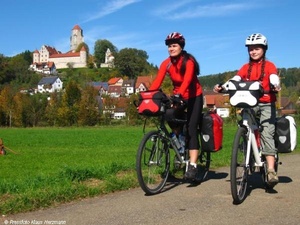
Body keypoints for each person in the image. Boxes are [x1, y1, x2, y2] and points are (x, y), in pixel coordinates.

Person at [213, 33, 281, 186]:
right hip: (250, 102)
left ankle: (270, 170)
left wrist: (275, 85)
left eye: (257, 49)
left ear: (264, 49)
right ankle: (247, 148)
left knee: (267, 133)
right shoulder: (245, 68)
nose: (253, 52)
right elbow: (236, 79)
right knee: (245, 127)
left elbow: (273, 78)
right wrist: (223, 86)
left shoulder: (269, 66)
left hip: (266, 103)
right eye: (251, 49)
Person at [149, 32, 203, 180]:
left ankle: (192, 165)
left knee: (191, 128)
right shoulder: (166, 63)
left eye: (174, 45)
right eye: (169, 46)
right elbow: (157, 82)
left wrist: (179, 94)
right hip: (178, 96)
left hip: (193, 96)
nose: (171, 49)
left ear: (181, 47)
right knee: (168, 114)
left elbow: (187, 80)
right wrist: (147, 97)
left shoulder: (189, 61)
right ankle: (178, 139)